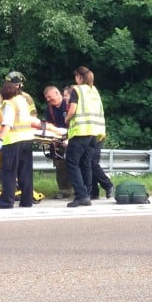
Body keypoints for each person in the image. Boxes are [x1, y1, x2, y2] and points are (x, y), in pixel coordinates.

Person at [0, 81, 39, 208]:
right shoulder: (22, 101)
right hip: (27, 139)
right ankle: (27, 201)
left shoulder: (8, 104)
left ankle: (6, 202)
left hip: (12, 141)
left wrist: (0, 140)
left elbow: (8, 124)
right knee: (25, 173)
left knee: (9, 173)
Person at [64, 66, 106, 208]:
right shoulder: (94, 91)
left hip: (81, 131)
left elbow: (73, 109)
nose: (75, 79)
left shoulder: (77, 89)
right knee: (85, 163)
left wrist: (67, 119)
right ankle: (87, 194)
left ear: (79, 77)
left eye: (76, 76)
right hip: (94, 132)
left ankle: (81, 195)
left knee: (71, 162)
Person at [43, 85, 73, 199]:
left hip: (72, 136)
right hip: (58, 139)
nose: (48, 100)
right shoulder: (49, 109)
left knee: (75, 164)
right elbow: (49, 125)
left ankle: (79, 188)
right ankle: (64, 190)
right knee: (60, 165)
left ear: (57, 93)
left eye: (49, 97)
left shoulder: (69, 104)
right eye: (46, 98)